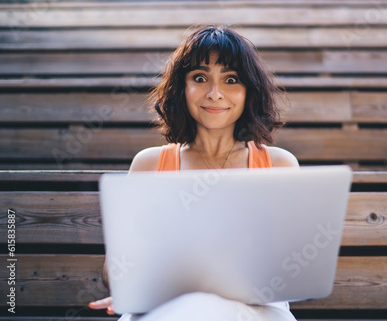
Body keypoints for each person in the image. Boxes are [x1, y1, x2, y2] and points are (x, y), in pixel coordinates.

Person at [89, 24, 299, 320]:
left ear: (248, 90)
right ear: (181, 88)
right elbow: (117, 270)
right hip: (168, 305)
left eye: (231, 79)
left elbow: (294, 266)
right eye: (200, 78)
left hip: (256, 310)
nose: (215, 93)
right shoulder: (149, 165)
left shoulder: (280, 165)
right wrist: (140, 287)